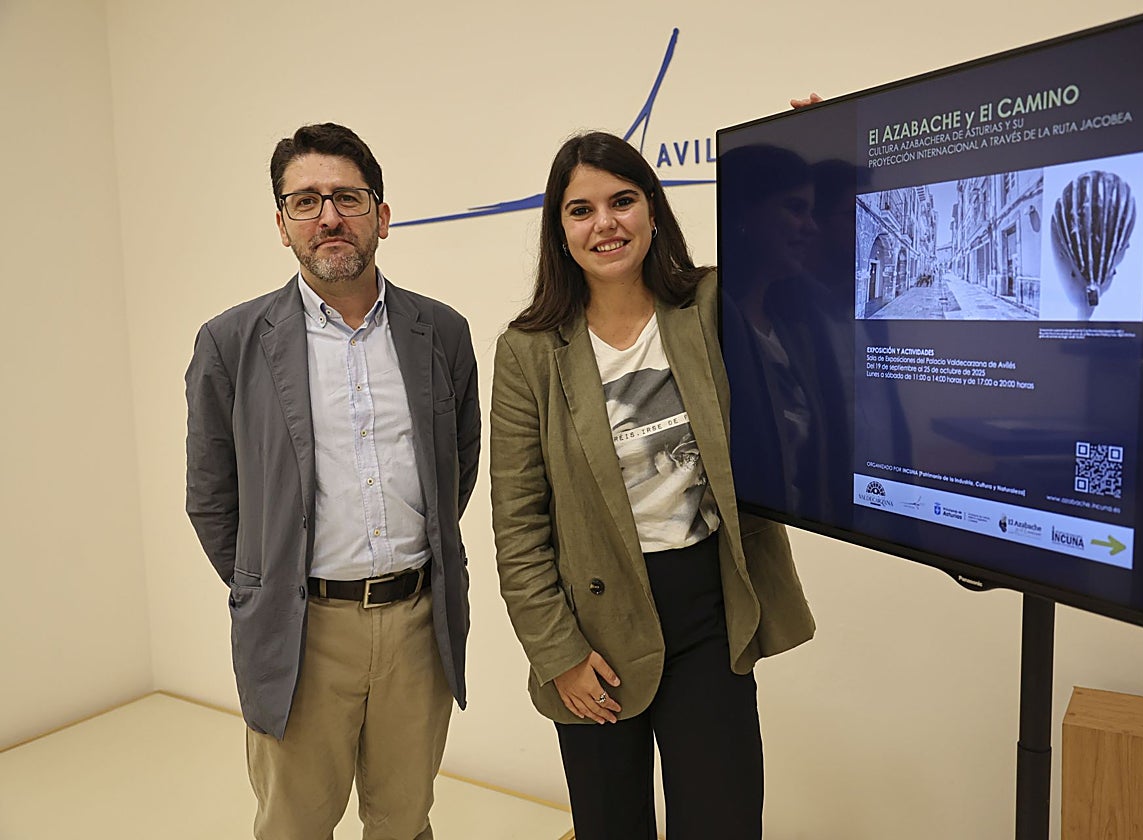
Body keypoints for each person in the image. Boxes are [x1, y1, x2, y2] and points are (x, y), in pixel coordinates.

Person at [489, 130, 816, 839]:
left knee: (722, 820)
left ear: (652, 211)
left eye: (623, 200)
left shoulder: (708, 305)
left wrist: (818, 145)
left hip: (706, 610)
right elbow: (518, 525)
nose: (605, 223)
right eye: (581, 210)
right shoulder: (528, 351)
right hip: (594, 631)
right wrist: (559, 655)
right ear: (560, 230)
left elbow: (817, 261)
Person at [184, 123, 480, 840]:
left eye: (347, 197)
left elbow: (458, 468)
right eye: (306, 201)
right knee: (293, 826)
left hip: (417, 625)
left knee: (405, 821)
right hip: (299, 632)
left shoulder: (441, 331)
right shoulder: (231, 342)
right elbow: (211, 495)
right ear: (282, 225)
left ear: (381, 214)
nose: (329, 217)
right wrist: (269, 583)